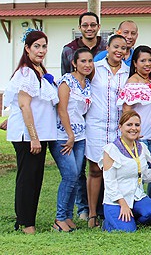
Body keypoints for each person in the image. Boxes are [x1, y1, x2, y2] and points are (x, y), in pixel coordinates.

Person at [3, 30, 59, 234]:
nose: (41, 50)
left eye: (44, 46)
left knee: (35, 178)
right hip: (29, 137)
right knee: (28, 178)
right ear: (27, 48)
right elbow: (25, 105)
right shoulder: (26, 72)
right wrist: (33, 138)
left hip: (39, 134)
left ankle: (25, 220)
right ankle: (27, 224)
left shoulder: (39, 70)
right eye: (36, 46)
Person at [85, 34, 129, 228]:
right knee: (95, 170)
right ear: (108, 48)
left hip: (118, 128)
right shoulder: (96, 68)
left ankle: (115, 210)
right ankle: (92, 214)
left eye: (123, 48)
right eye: (115, 47)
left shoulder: (128, 71)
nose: (119, 51)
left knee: (115, 171)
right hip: (96, 125)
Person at [118, 45, 151, 204]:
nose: (147, 64)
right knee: (146, 175)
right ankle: (145, 207)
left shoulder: (150, 81)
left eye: (150, 60)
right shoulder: (132, 83)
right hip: (139, 139)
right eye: (143, 61)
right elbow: (127, 111)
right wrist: (133, 134)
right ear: (135, 63)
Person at [101, 110, 151, 232]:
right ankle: (109, 223)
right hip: (116, 200)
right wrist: (123, 204)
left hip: (136, 196)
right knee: (128, 231)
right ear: (120, 127)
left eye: (137, 125)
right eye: (129, 125)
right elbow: (110, 183)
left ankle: (130, 220)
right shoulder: (111, 150)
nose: (133, 128)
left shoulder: (142, 148)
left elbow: (147, 177)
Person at [52, 47, 93, 232]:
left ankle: (67, 216)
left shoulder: (88, 84)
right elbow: (61, 109)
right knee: (69, 175)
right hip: (63, 136)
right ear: (74, 63)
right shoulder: (66, 81)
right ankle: (59, 218)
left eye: (90, 61)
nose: (87, 65)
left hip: (80, 136)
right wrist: (69, 135)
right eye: (83, 61)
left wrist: (76, 135)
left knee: (76, 176)